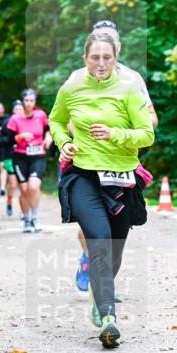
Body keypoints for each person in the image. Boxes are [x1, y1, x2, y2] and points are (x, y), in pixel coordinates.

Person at [49, 31, 154, 348]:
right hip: (83, 175)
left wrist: (115, 133)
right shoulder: (72, 87)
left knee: (115, 250)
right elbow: (56, 120)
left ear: (116, 57)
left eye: (107, 57)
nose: (101, 63)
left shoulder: (129, 88)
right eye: (95, 57)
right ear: (85, 58)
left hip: (121, 177)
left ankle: (99, 294)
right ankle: (108, 317)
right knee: (98, 239)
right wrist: (64, 143)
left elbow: (146, 134)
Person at [71, 20, 158, 293]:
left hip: (120, 160)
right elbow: (66, 120)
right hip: (87, 159)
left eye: (110, 41)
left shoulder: (133, 80)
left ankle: (102, 280)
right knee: (91, 225)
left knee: (116, 227)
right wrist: (82, 133)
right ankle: (89, 259)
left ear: (117, 47)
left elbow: (151, 120)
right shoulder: (78, 78)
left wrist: (119, 132)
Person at [7, 89, 52, 233]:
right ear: (22, 101)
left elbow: (48, 130)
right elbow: (8, 139)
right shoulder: (15, 119)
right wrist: (19, 137)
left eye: (31, 101)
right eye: (26, 100)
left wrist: (48, 138)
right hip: (20, 157)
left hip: (38, 155)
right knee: (24, 191)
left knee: (33, 187)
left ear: (35, 102)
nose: (29, 103)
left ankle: (35, 218)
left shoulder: (41, 115)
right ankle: (26, 220)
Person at [2, 100, 27, 218]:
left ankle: (23, 211)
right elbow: (2, 139)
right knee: (12, 184)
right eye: (16, 109)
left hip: (24, 157)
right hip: (10, 157)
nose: (18, 112)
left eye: (21, 109)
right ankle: (9, 201)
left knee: (23, 187)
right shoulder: (7, 123)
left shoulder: (28, 122)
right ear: (13, 111)